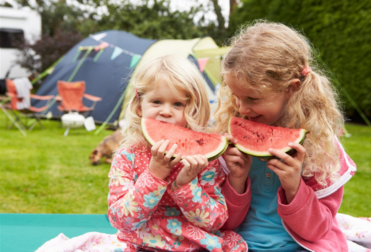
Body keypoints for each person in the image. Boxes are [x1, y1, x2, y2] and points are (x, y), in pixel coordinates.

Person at [213, 21, 357, 252]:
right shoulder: (230, 140)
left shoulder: (320, 146)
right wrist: (236, 181)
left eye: (252, 98)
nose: (241, 108)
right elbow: (222, 221)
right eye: (235, 96)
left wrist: (294, 187)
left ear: (291, 88)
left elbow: (317, 231)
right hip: (236, 244)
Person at [108, 55, 247, 252]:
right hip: (142, 245)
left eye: (178, 104)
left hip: (195, 246)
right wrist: (154, 176)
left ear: (193, 108)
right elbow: (120, 220)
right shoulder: (126, 157)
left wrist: (185, 184)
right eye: (156, 101)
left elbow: (214, 221)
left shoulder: (203, 160)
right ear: (140, 107)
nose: (166, 111)